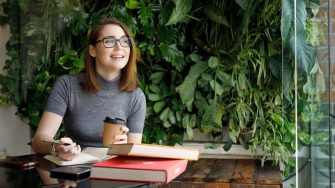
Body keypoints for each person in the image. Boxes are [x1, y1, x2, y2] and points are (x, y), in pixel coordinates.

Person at [32, 18, 146, 161]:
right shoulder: (67, 85)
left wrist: (125, 147)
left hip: (113, 172)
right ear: (92, 50)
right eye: (109, 41)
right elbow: (39, 141)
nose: (119, 47)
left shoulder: (136, 96)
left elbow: (135, 152)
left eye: (124, 41)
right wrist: (57, 148)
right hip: (74, 170)